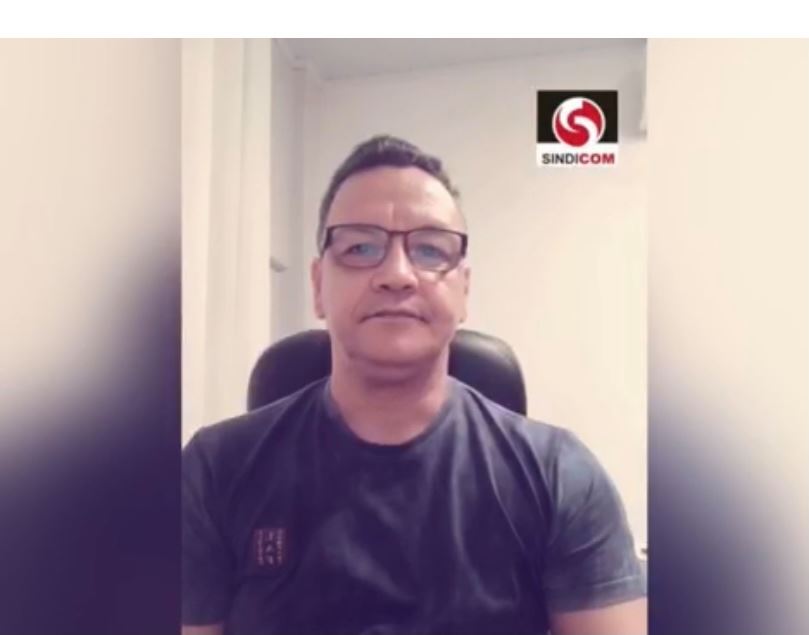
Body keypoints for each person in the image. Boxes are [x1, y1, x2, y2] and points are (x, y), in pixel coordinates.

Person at [182, 135, 647, 635]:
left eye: (430, 249)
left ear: (464, 289)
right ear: (317, 286)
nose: (397, 275)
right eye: (360, 247)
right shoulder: (214, 469)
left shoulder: (560, 475)